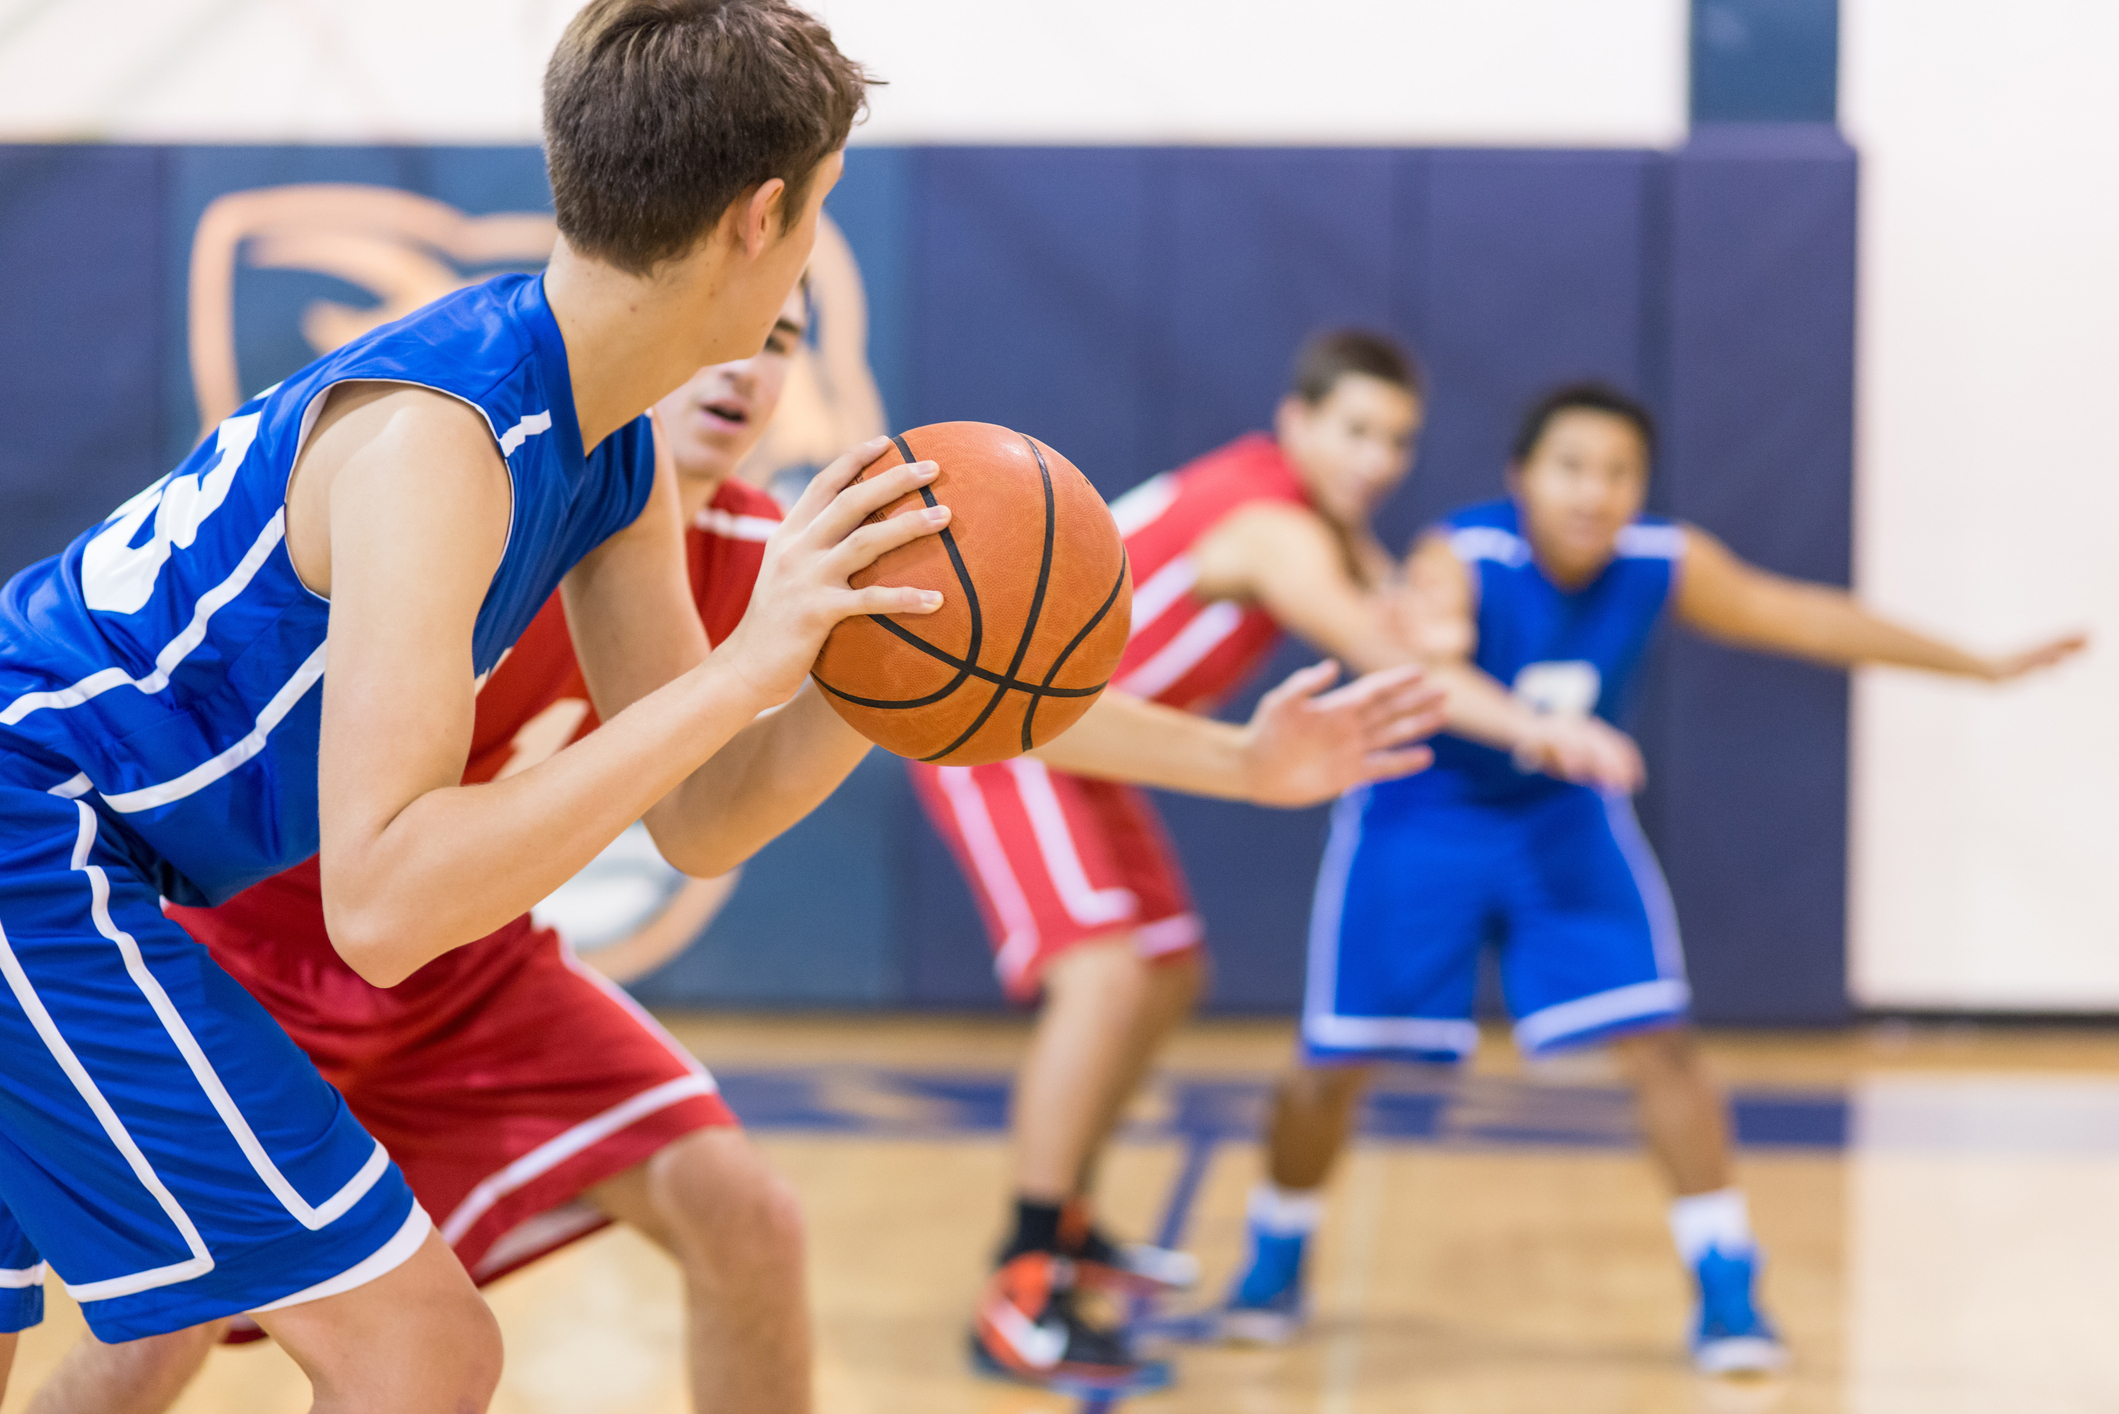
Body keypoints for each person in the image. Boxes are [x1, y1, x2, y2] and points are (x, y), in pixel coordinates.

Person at [0, 3, 915, 1408]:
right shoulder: (450, 436)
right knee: (419, 1345)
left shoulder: (601, 441)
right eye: (818, 216)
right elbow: (383, 901)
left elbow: (701, 813)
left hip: (82, 846)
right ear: (760, 215)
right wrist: (747, 667)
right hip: (33, 833)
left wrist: (877, 663)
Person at [1224, 381, 2086, 1373]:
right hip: (1422, 819)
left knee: (1662, 1046)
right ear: (1522, 478)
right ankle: (1275, 1251)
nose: (1594, 492)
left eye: (1618, 472)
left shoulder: (1658, 562)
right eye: (1571, 468)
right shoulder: (1456, 556)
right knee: (1329, 1062)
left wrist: (1976, 665)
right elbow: (1431, 672)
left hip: (1562, 817)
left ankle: (1726, 1285)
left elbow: (1802, 614)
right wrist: (1532, 724)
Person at [910, 330, 1618, 1395]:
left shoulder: (1324, 524)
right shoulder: (1271, 524)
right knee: (1102, 975)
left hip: (1099, 746)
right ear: (1296, 426)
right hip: (1005, 724)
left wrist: (1431, 593)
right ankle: (1021, 1282)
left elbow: (1408, 610)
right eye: (1356, 432)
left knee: (1170, 971)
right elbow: (1394, 655)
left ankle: (1067, 1222)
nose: (1376, 458)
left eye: (1398, 439)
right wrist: (1538, 727)